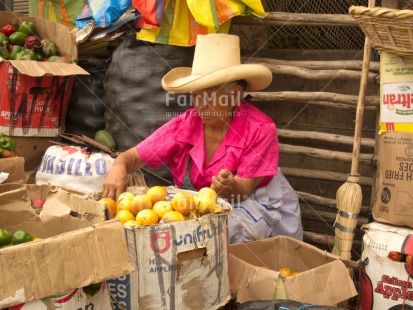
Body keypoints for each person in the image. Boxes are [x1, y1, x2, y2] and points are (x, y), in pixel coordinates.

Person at [103, 33, 303, 243]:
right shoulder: (186, 125)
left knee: (228, 234)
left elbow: (244, 189)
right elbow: (133, 157)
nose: (200, 104)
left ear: (234, 94)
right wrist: (119, 167)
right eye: (196, 95)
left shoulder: (260, 129)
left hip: (259, 203)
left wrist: (230, 185)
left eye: (208, 95)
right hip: (210, 208)